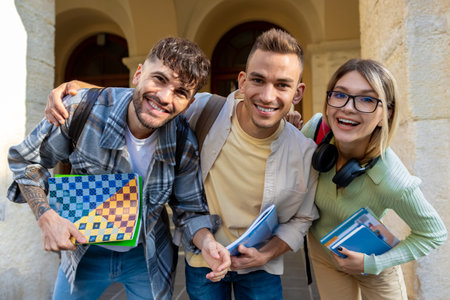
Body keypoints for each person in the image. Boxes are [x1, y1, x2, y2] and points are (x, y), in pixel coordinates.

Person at [44, 29, 319, 300]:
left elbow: (302, 217)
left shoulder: (305, 151)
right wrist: (80, 90)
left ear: (298, 92)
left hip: (261, 267)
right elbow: (149, 99)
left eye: (282, 84)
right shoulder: (204, 110)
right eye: (258, 80)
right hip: (202, 259)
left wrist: (266, 253)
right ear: (242, 81)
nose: (268, 95)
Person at [7, 37, 230, 300]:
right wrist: (47, 217)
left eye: (180, 92)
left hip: (147, 258)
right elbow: (26, 161)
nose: (164, 97)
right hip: (82, 253)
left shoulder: (184, 141)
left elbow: (189, 210)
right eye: (159, 79)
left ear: (189, 104)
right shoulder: (81, 110)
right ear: (138, 74)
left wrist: (207, 242)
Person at [300, 58, 447, 300]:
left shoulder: (393, 178)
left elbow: (433, 234)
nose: (348, 107)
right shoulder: (314, 132)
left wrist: (373, 263)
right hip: (325, 255)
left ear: (385, 115)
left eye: (367, 99)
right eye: (340, 95)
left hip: (375, 264)